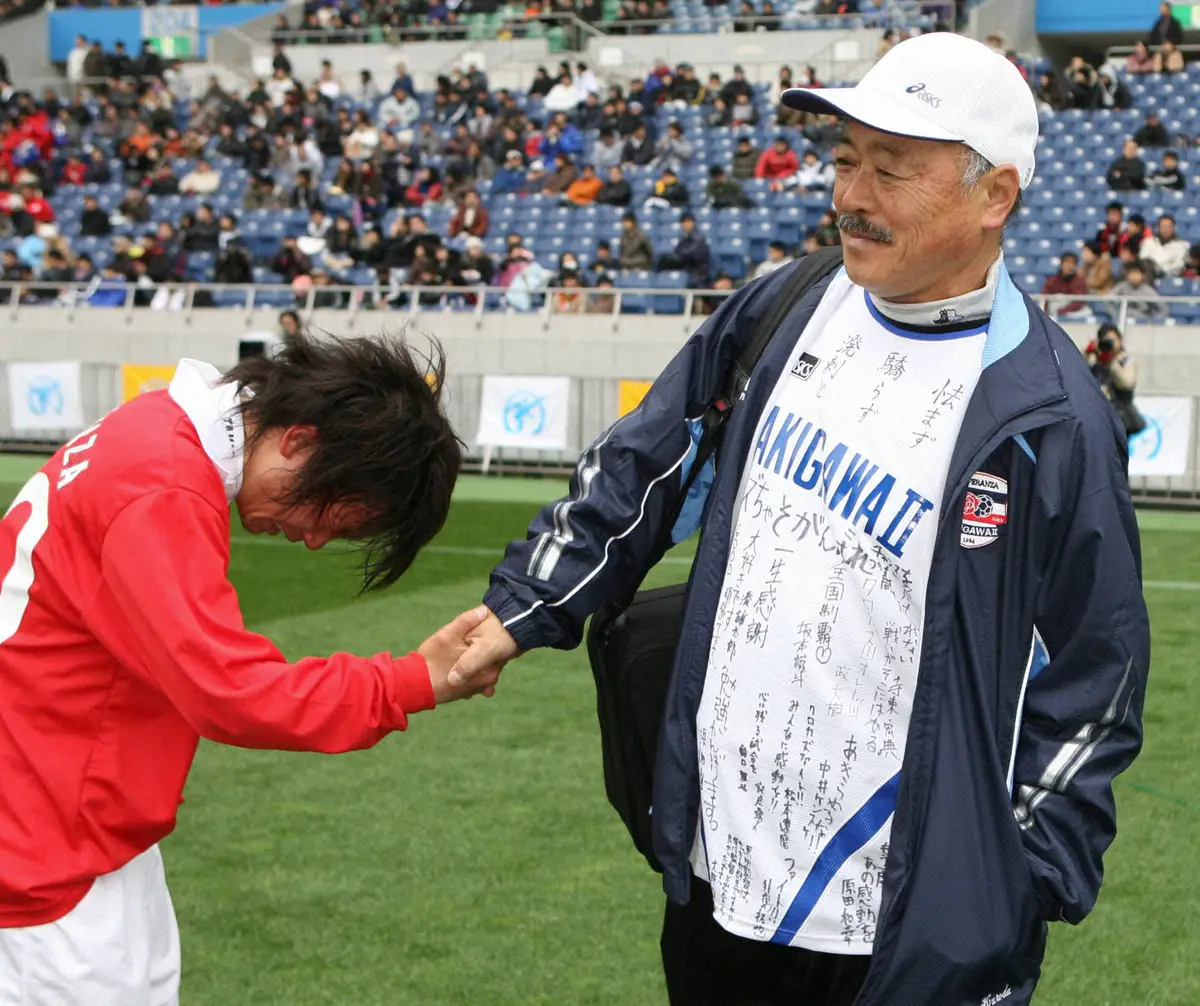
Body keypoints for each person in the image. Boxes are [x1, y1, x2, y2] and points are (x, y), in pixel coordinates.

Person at [447, 33, 1149, 1006]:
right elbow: (642, 464)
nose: (850, 195)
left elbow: (1092, 686)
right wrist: (521, 611)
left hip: (899, 936)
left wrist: (1011, 897)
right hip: (715, 882)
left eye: (891, 170)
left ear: (997, 198)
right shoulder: (787, 306)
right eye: (845, 159)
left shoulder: (1049, 423)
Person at [0, 334, 501, 1002]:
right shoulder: (162, 483)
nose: (316, 538)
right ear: (298, 440)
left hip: (75, 825)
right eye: (330, 513)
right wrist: (413, 680)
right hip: (44, 849)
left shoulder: (156, 429)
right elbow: (230, 693)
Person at [1086, 324, 1142, 438]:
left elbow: (1127, 383)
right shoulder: (1097, 361)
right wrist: (1089, 354)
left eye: (1113, 340)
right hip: (1099, 418)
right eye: (1106, 340)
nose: (1110, 344)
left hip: (1122, 417)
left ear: (1120, 341)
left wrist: (1112, 362)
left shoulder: (1125, 361)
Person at [656, 212, 710, 287]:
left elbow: (690, 255)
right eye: (683, 222)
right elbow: (679, 253)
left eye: (688, 221)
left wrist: (675, 257)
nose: (685, 224)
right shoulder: (683, 239)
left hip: (697, 275)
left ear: (693, 223)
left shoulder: (699, 238)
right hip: (685, 271)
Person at [1041, 250, 1089, 315]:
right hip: (1054, 310)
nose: (1070, 266)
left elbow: (1079, 302)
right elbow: (1044, 298)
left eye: (1073, 263)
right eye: (1067, 262)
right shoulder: (1052, 280)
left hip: (1072, 311)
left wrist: (1062, 311)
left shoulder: (1079, 281)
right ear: (1061, 264)